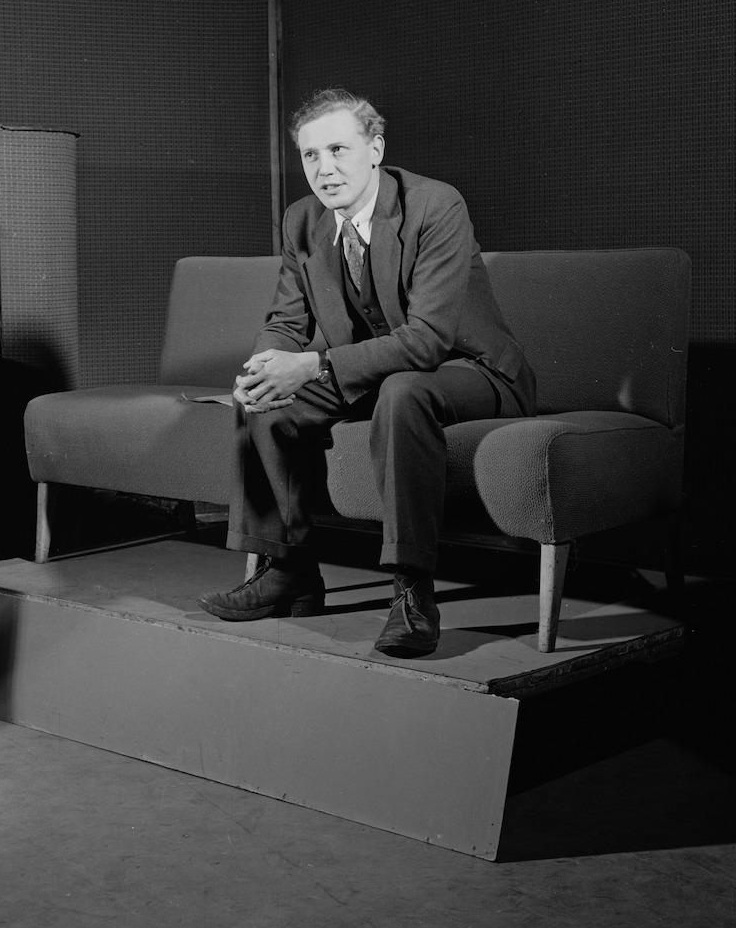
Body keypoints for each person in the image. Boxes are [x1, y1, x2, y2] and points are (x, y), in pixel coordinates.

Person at [197, 88, 537, 657]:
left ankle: (412, 590)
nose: (324, 170)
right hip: (376, 372)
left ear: (375, 148)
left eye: (338, 149)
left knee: (404, 392)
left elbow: (429, 339)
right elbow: (285, 321)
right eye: (310, 156)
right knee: (267, 400)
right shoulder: (302, 220)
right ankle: (290, 571)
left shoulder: (435, 206)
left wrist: (316, 362)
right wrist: (261, 367)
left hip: (470, 370)